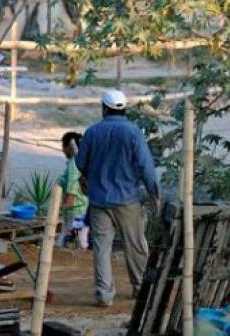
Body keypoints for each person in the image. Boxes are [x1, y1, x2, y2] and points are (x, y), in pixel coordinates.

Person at [74, 89, 160, 307]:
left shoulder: (92, 132)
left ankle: (104, 294)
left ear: (104, 108)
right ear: (124, 109)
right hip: (128, 200)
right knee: (135, 244)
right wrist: (154, 196)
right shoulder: (133, 132)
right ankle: (140, 288)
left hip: (99, 201)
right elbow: (146, 168)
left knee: (102, 247)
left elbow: (80, 163)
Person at [57, 131, 89, 249]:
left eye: (63, 147)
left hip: (75, 211)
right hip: (81, 209)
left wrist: (59, 209)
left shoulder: (73, 165)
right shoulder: (81, 162)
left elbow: (71, 192)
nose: (63, 150)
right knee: (79, 240)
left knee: (74, 242)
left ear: (69, 147)